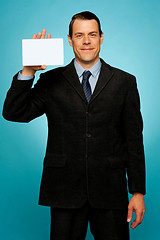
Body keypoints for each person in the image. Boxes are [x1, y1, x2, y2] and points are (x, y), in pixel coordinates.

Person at [3, 11, 145, 240]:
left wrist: (138, 191)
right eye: (79, 35)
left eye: (92, 35)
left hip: (110, 191)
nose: (86, 41)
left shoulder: (125, 82)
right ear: (70, 40)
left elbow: (134, 140)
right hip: (64, 190)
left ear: (101, 37)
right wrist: (28, 70)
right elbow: (14, 112)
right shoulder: (50, 81)